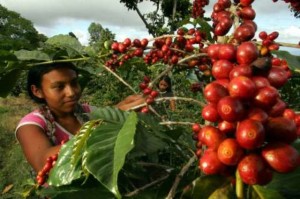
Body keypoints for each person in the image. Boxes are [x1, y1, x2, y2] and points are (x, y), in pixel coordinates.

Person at [15, 62, 145, 173]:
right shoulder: (30, 125)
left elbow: (108, 115)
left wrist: (119, 110)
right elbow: (44, 163)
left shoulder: (86, 111)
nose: (71, 93)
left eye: (74, 83)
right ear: (37, 91)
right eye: (59, 87)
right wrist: (109, 122)